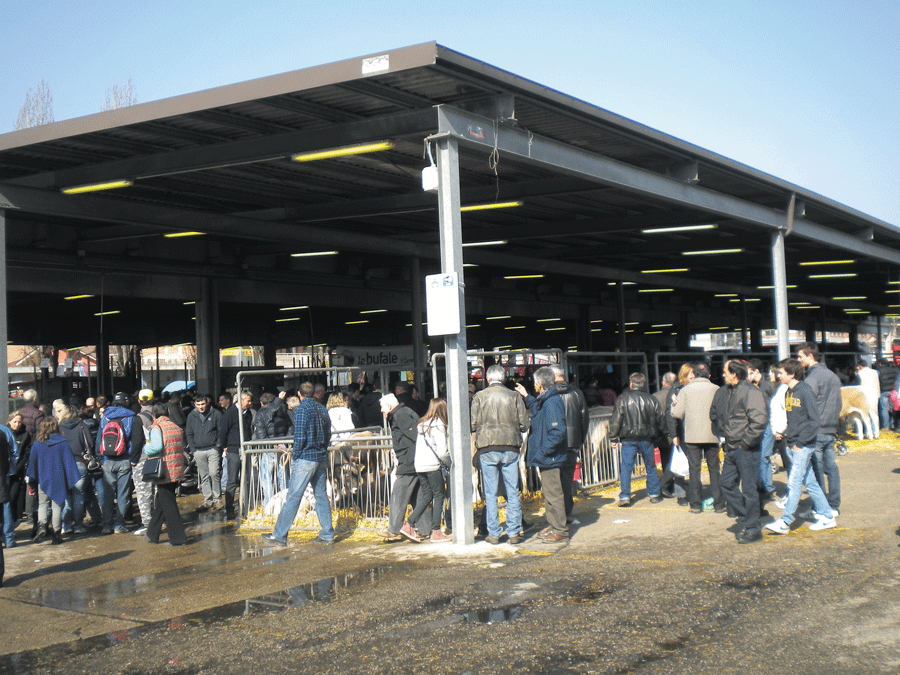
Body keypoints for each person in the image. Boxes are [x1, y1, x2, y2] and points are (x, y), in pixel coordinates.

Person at [765, 359, 838, 535]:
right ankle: (827, 516)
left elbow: (815, 421)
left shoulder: (805, 391)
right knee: (810, 483)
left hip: (802, 445)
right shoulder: (788, 392)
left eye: (781, 372)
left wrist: (800, 442)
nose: (778, 375)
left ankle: (785, 521)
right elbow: (792, 419)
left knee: (794, 483)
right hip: (792, 443)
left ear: (791, 374)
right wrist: (784, 432)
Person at [262, 382, 334, 547]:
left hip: (305, 458)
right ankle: (327, 533)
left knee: (293, 497)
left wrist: (295, 454)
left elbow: (299, 437)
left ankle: (279, 534)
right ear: (314, 393)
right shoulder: (322, 409)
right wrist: (322, 448)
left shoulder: (301, 410)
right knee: (321, 496)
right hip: (321, 456)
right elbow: (328, 432)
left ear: (299, 394)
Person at [710, 360, 768, 544]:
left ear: (735, 374)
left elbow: (758, 421)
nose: (723, 375)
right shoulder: (728, 391)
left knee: (749, 489)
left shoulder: (751, 391)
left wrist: (745, 443)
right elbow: (719, 415)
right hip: (732, 446)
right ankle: (748, 516)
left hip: (744, 448)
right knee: (726, 483)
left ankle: (753, 528)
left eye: (726, 371)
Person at [471, 365, 529, 545]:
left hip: (487, 446)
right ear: (503, 379)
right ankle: (513, 532)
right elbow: (524, 424)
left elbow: (472, 424)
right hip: (511, 446)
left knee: (490, 492)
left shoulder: (479, 397)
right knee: (512, 491)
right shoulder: (514, 396)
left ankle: (494, 533)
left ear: (487, 379)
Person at [516, 366, 569, 543]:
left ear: (539, 384)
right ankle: (554, 526)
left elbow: (557, 432)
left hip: (550, 457)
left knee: (553, 494)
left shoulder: (552, 402)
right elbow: (538, 411)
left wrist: (542, 451)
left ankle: (560, 529)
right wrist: (527, 397)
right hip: (548, 456)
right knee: (549, 494)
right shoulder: (547, 399)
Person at [672, 363, 724, 514]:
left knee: (694, 470)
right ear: (709, 375)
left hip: (692, 436)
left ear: (694, 374)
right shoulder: (716, 389)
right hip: (712, 434)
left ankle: (695, 504)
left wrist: (673, 405)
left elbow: (676, 413)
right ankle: (719, 504)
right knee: (714, 469)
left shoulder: (685, 390)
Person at [797, 343, 842, 514]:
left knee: (816, 470)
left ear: (810, 356)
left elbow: (806, 403)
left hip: (817, 429)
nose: (799, 359)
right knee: (831, 468)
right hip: (831, 428)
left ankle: (820, 507)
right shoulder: (833, 376)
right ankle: (834, 505)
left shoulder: (812, 378)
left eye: (801, 356)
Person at [608, 372, 663, 508]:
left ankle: (625, 496)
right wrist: (658, 435)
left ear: (631, 384)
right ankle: (654, 494)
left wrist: (613, 437)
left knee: (626, 467)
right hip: (647, 438)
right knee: (650, 466)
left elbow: (616, 419)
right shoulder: (652, 399)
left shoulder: (623, 399)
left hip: (628, 438)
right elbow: (660, 419)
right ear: (643, 384)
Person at [26, 417, 81, 544]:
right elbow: (69, 463)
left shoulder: (37, 443)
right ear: (56, 427)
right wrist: (71, 478)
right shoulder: (63, 442)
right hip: (59, 479)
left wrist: (31, 481)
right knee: (57, 504)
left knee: (42, 504)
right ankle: (56, 534)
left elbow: (32, 463)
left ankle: (42, 526)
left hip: (42, 479)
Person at [96, 392, 144, 534]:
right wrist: (134, 460)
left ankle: (106, 525)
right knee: (123, 494)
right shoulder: (131, 417)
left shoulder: (105, 417)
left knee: (108, 494)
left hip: (108, 461)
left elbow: (99, 439)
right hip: (124, 460)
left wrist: (100, 459)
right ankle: (119, 525)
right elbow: (136, 441)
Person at [377, 393, 421, 541]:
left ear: (389, 406)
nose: (382, 411)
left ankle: (394, 529)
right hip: (414, 460)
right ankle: (424, 528)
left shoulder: (400, 415)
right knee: (417, 495)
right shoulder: (404, 412)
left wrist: (406, 458)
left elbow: (414, 437)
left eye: (383, 408)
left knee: (398, 494)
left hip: (408, 461)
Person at [550, 364, 589, 524]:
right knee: (567, 481)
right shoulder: (577, 393)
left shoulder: (548, 394)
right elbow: (584, 418)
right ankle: (567, 513)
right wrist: (580, 440)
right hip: (572, 442)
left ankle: (556, 517)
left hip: (554, 443)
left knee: (552, 481)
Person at [144, 403, 188, 545]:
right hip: (176, 469)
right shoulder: (175, 426)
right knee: (162, 501)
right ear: (167, 413)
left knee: (168, 504)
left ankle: (177, 538)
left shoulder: (157, 428)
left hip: (163, 470)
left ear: (153, 415)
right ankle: (152, 534)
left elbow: (156, 447)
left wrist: (146, 447)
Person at [408, 398, 451, 543]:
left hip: (420, 466)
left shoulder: (422, 425)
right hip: (433, 466)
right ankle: (436, 531)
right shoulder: (438, 425)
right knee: (439, 495)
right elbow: (443, 452)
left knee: (427, 495)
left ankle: (409, 524)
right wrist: (450, 463)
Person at [253, 392, 293, 507]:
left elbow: (260, 434)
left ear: (261, 403)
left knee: (267, 477)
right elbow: (291, 426)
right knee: (284, 476)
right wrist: (284, 441)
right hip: (282, 446)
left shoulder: (261, 413)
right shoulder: (284, 411)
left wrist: (270, 445)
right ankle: (286, 503)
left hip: (269, 447)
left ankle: (269, 505)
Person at [185, 394, 224, 512]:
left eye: (203, 404)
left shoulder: (216, 414)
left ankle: (217, 499)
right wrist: (193, 450)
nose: (201, 407)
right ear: (195, 405)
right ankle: (207, 500)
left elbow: (220, 431)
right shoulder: (191, 416)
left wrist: (218, 446)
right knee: (204, 476)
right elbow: (189, 433)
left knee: (214, 473)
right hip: (198, 450)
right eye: (198, 405)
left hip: (212, 448)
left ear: (207, 403)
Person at [218, 391, 253, 520]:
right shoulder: (230, 413)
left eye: (250, 401)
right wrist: (224, 446)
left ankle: (246, 505)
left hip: (246, 448)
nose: (250, 403)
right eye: (247, 401)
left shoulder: (248, 413)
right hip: (233, 449)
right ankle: (229, 508)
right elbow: (223, 431)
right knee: (232, 480)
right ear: (241, 400)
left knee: (246, 479)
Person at [876, 358, 900, 430]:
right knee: (894, 408)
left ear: (880, 363)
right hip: (893, 391)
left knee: (884, 409)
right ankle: (894, 424)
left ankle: (885, 426)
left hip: (883, 391)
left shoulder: (879, 370)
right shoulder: (895, 369)